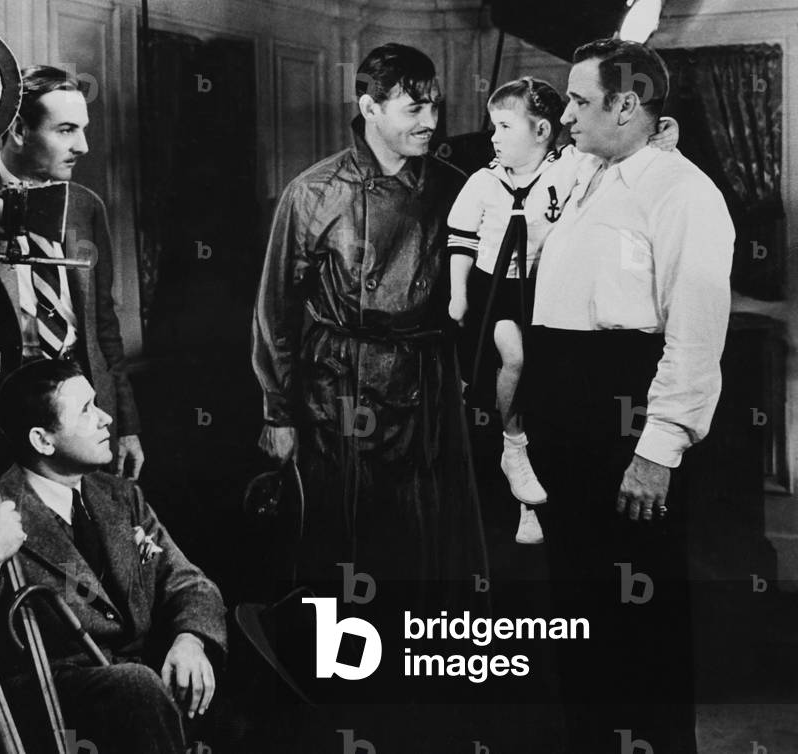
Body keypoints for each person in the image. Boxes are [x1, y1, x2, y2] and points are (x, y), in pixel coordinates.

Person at [524, 39, 734, 753]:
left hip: (627, 423)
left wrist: (658, 450)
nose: (566, 114)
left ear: (628, 104)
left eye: (581, 101)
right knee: (580, 606)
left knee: (641, 612)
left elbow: (696, 335)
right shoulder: (588, 172)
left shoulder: (686, 195)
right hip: (567, 423)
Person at [251, 43, 483, 592]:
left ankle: (422, 665)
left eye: (435, 108)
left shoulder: (455, 187)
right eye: (413, 109)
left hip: (427, 383)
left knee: (426, 543)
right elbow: (275, 310)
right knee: (343, 541)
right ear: (370, 107)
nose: (430, 123)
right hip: (340, 388)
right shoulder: (312, 193)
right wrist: (277, 413)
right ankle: (341, 671)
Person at [0, 358, 226, 754]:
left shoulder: (120, 495)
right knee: (136, 686)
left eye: (97, 404)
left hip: (144, 688)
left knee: (240, 643)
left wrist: (191, 641)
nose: (107, 418)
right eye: (85, 410)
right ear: (43, 440)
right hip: (59, 702)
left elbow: (188, 581)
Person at [446, 77, 677, 545]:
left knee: (542, 384)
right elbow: (461, 240)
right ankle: (513, 446)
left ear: (541, 132)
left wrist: (663, 133)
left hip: (539, 288)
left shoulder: (568, 168)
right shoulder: (482, 182)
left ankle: (530, 502)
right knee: (511, 353)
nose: (493, 137)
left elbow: (623, 149)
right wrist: (458, 295)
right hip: (495, 292)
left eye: (505, 127)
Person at [0, 65, 143, 479]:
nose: (82, 146)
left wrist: (126, 426)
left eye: (83, 129)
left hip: (83, 419)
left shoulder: (86, 207)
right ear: (18, 131)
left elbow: (104, 327)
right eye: (65, 130)